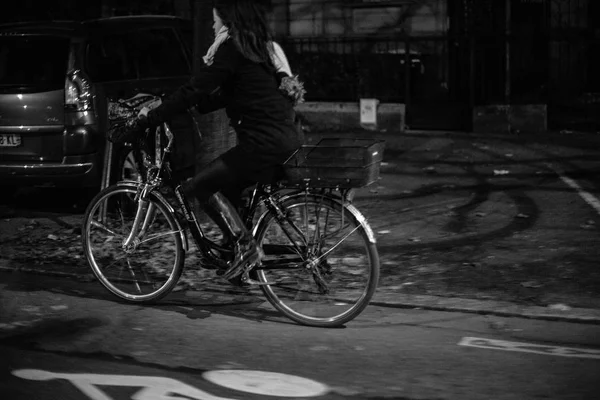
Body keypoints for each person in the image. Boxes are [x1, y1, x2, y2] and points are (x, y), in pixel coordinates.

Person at [121, 0, 303, 283]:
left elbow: (195, 89)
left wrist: (151, 117)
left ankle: (245, 247)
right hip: (284, 138)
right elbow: (230, 94)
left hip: (262, 144)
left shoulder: (231, 49)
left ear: (229, 21)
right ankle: (240, 268)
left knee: (200, 186)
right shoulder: (256, 51)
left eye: (216, 20)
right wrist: (193, 105)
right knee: (230, 190)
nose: (212, 25)